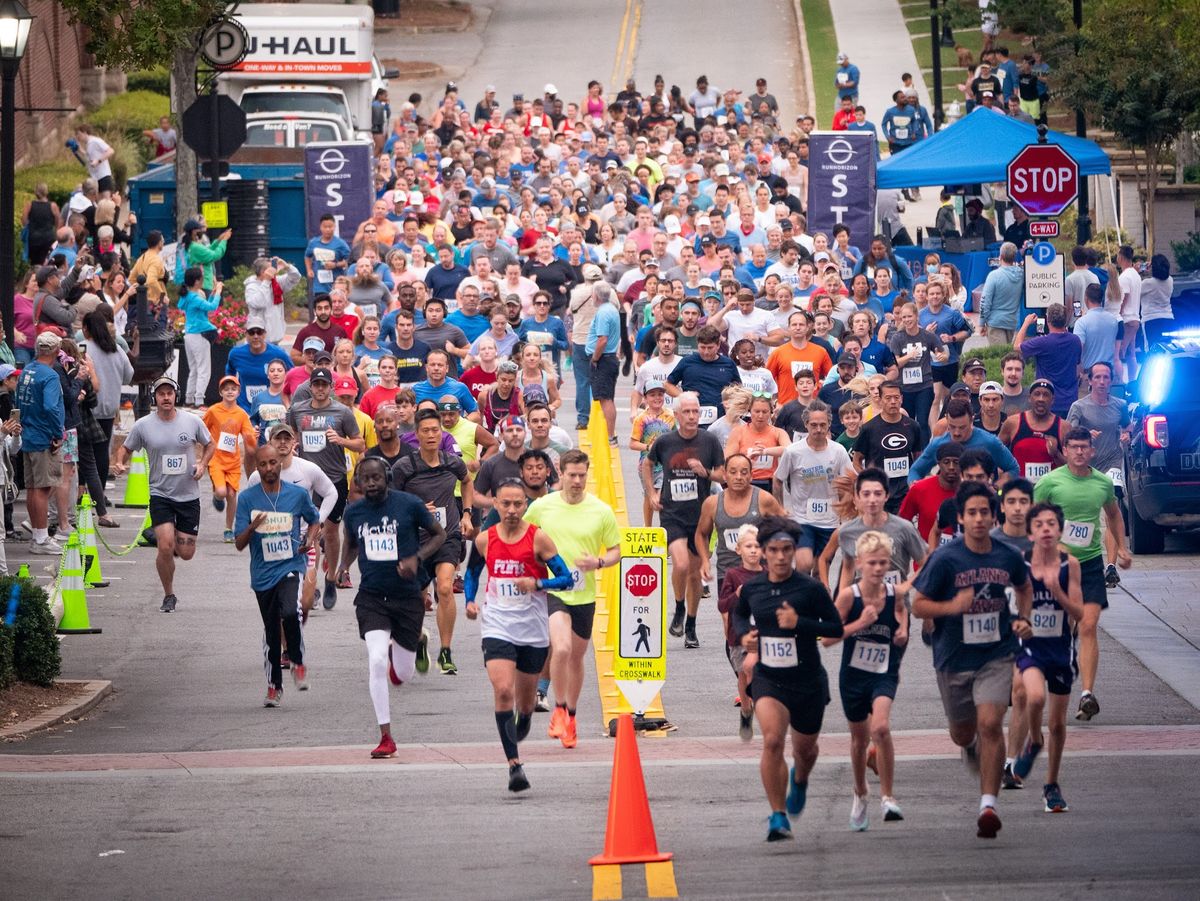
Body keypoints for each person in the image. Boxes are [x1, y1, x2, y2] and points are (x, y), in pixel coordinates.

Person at [912, 481, 1033, 839]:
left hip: (997, 653)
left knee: (992, 724)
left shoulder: (1006, 555)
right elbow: (917, 604)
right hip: (953, 657)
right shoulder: (945, 559)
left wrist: (1023, 618)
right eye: (972, 513)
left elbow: (1024, 586)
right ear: (961, 519)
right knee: (963, 732)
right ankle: (968, 748)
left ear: (993, 516)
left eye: (985, 512)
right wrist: (952, 607)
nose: (979, 519)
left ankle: (988, 804)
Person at [732, 515, 844, 841]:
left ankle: (800, 779)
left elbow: (835, 628)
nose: (781, 557)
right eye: (774, 550)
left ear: (794, 551)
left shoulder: (810, 589)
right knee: (771, 740)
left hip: (808, 679)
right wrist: (744, 636)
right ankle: (778, 816)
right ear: (763, 553)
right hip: (769, 678)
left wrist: (800, 623)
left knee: (805, 751)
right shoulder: (753, 587)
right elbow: (739, 615)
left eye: (787, 550)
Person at [467, 478, 575, 791]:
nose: (512, 510)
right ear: (496, 504)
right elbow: (473, 573)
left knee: (524, 706)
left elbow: (566, 579)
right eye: (505, 504)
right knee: (503, 690)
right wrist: (472, 600)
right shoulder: (485, 540)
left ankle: (523, 718)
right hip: (498, 624)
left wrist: (538, 584)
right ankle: (514, 766)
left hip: (532, 628)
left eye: (517, 504)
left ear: (525, 506)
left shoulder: (539, 539)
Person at [341, 457, 446, 759]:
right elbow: (350, 543)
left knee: (403, 673)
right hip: (372, 597)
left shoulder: (408, 504)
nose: (372, 483)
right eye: (366, 479)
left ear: (387, 478)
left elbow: (439, 534)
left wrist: (417, 558)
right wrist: (341, 568)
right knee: (375, 660)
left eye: (377, 478)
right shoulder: (354, 512)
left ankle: (416, 641)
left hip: (407, 597)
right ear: (358, 483)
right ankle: (386, 736)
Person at [1033, 427, 1131, 722]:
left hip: (1089, 564)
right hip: (1057, 565)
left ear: (1091, 451)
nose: (1078, 452)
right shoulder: (1050, 482)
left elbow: (1113, 513)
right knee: (1059, 631)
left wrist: (1122, 549)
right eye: (1073, 447)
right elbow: (1034, 519)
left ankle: (1087, 693)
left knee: (1089, 625)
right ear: (1064, 450)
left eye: (1083, 447)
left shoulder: (1102, 484)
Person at [524, 450, 620, 748]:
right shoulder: (543, 506)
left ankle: (572, 716)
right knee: (561, 648)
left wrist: (600, 562)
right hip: (554, 591)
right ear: (560, 473)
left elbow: (617, 550)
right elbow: (524, 535)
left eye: (582, 475)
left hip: (585, 594)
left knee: (577, 657)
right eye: (572, 475)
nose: (577, 481)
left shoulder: (601, 510)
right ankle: (560, 708)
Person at [824, 529, 909, 829]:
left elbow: (901, 612)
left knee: (882, 728)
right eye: (872, 563)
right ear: (859, 563)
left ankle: (888, 797)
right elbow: (828, 638)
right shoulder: (849, 596)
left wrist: (902, 630)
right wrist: (859, 623)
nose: (877, 569)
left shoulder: (894, 593)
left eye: (883, 563)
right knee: (860, 740)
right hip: (854, 676)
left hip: (884, 671)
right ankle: (860, 791)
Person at [115, 377, 216, 612]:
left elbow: (210, 444)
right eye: (161, 394)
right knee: (165, 547)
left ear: (176, 395)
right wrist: (120, 462)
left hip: (188, 496)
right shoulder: (143, 425)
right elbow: (126, 448)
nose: (166, 397)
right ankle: (169, 594)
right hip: (160, 494)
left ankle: (165, 539)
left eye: (170, 393)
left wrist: (202, 464)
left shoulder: (191, 421)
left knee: (186, 552)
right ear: (155, 398)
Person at [1011, 502, 1085, 813]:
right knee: (1034, 697)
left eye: (1051, 524)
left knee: (1057, 724)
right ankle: (1034, 741)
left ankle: (1051, 784)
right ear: (1030, 531)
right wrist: (1019, 622)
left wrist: (1059, 594)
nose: (1045, 530)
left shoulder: (1071, 564)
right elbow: (1012, 607)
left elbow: (1080, 613)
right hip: (1030, 646)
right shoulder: (1022, 564)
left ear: (1059, 529)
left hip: (1060, 648)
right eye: (1038, 524)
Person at [390, 408, 476, 676]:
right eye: (425, 431)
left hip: (447, 535)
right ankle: (418, 640)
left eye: (435, 430)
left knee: (446, 587)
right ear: (416, 434)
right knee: (416, 599)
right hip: (415, 540)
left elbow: (467, 482)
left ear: (442, 433)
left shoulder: (453, 462)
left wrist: (466, 514)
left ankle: (446, 651)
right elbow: (391, 501)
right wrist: (415, 510)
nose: (431, 435)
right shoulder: (404, 467)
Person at [234, 445, 321, 707]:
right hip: (262, 574)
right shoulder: (248, 499)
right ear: (256, 467)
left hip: (290, 565)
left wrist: (309, 538)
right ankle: (274, 687)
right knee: (272, 631)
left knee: (290, 612)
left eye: (274, 463)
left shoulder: (296, 494)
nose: (270, 468)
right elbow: (239, 543)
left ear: (280, 464)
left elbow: (314, 519)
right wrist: (253, 527)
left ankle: (296, 658)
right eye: (264, 464)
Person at [643, 393, 725, 648]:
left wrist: (706, 473)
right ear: (677, 415)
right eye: (687, 412)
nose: (692, 416)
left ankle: (690, 623)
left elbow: (722, 474)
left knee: (694, 574)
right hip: (672, 513)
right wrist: (652, 492)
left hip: (701, 516)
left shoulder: (709, 440)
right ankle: (679, 606)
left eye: (695, 412)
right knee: (679, 564)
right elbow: (646, 464)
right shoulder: (666, 441)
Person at [286, 365, 365, 611]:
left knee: (331, 532)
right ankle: (313, 586)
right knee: (314, 530)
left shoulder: (342, 412)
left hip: (334, 478)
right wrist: (292, 445)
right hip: (307, 479)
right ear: (310, 387)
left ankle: (331, 578)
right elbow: (290, 434)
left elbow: (360, 444)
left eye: (324, 385)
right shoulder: (297, 409)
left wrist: (341, 440)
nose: (320, 389)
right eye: (316, 385)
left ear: (330, 388)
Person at [15, 332, 66, 554]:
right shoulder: (50, 376)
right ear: (56, 351)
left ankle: (37, 535)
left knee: (33, 488)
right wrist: (57, 433)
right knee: (43, 489)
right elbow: (50, 407)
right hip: (44, 436)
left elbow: (18, 402)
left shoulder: (28, 370)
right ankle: (42, 538)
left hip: (28, 434)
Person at [852, 380, 921, 514]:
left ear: (902, 399)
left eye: (896, 397)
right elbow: (857, 460)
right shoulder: (869, 428)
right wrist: (868, 480)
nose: (893, 401)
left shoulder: (913, 426)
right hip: (879, 493)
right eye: (888, 398)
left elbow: (918, 457)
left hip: (904, 491)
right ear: (881, 400)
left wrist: (915, 480)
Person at [204, 375, 258, 542]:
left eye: (233, 389)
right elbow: (201, 429)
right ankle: (217, 496)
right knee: (222, 492)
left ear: (238, 391)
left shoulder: (241, 414)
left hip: (233, 461)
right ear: (221, 392)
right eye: (226, 389)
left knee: (232, 495)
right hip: (216, 459)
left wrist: (253, 438)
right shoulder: (213, 411)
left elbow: (248, 437)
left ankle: (229, 528)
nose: (230, 391)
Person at [1014, 306, 1082, 417]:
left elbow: (1017, 347)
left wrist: (1026, 323)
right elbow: (1078, 366)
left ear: (1047, 319)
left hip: (1047, 401)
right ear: (1065, 320)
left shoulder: (1042, 342)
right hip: (1070, 401)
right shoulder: (1075, 340)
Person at [177, 268, 222, 408]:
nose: (203, 280)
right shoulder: (195, 298)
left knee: (194, 369)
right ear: (197, 281)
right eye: (202, 278)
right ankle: (199, 400)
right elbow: (213, 307)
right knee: (204, 370)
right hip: (199, 335)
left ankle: (189, 399)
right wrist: (219, 291)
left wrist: (212, 294)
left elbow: (203, 308)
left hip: (189, 335)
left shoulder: (187, 296)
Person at [585, 282, 622, 442]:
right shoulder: (612, 309)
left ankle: (610, 435)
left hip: (604, 359)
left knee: (605, 398)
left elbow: (602, 339)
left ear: (596, 296)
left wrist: (594, 357)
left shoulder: (603, 313)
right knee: (607, 397)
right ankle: (610, 434)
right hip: (610, 358)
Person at [244, 256, 302, 346]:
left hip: (275, 338)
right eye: (271, 268)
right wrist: (266, 281)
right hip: (257, 337)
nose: (275, 270)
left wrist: (287, 267)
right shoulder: (251, 287)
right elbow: (259, 303)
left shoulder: (276, 282)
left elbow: (296, 278)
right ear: (263, 272)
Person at [978, 243, 1024, 345]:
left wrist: (981, 322)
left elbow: (985, 301)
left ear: (1000, 256)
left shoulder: (994, 276)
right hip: (1011, 321)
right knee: (1008, 354)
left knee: (1000, 357)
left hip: (995, 321)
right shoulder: (1021, 275)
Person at [305, 214, 351, 293]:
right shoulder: (313, 243)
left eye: (330, 226)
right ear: (320, 227)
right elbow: (307, 256)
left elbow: (348, 261)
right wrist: (309, 270)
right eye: (325, 227)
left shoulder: (341, 244)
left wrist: (335, 265)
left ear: (334, 227)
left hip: (336, 286)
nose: (327, 229)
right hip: (318, 286)